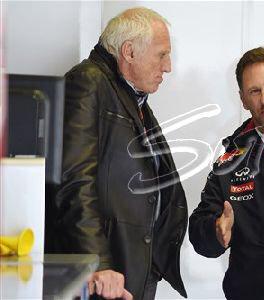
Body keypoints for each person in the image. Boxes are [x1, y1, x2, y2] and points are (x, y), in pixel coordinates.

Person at [55, 7, 187, 300]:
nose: (168, 67)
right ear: (129, 52)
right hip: (105, 276)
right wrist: (97, 262)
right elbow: (74, 180)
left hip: (130, 269)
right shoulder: (88, 82)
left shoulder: (128, 94)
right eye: (162, 55)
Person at [189, 46, 264, 300]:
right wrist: (215, 230)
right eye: (255, 91)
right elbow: (198, 228)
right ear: (243, 99)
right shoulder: (229, 159)